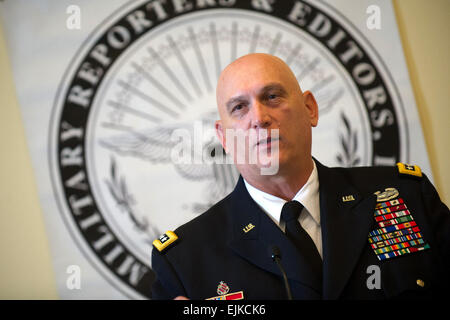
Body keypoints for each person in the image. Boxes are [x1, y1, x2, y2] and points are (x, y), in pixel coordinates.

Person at [151, 53, 450, 299]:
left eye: (272, 96)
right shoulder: (185, 261)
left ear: (310, 109)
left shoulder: (407, 197)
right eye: (239, 108)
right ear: (224, 138)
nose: (259, 118)